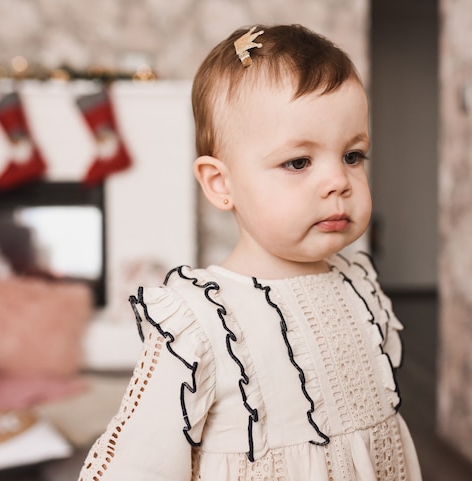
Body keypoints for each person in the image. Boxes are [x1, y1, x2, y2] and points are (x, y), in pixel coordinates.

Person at [78, 24, 422, 481]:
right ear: (221, 184)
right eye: (298, 162)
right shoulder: (198, 324)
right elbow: (138, 466)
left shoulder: (360, 285)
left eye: (353, 156)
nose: (339, 181)